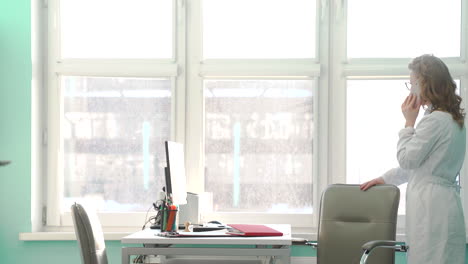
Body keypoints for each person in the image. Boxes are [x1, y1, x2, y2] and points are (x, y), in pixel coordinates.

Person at [360, 54, 466, 264]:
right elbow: (420, 166)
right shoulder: (449, 119)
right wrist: (385, 178)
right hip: (443, 204)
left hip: (431, 208)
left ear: (426, 84)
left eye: (412, 83)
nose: (411, 90)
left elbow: (407, 159)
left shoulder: (434, 121)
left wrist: (408, 123)